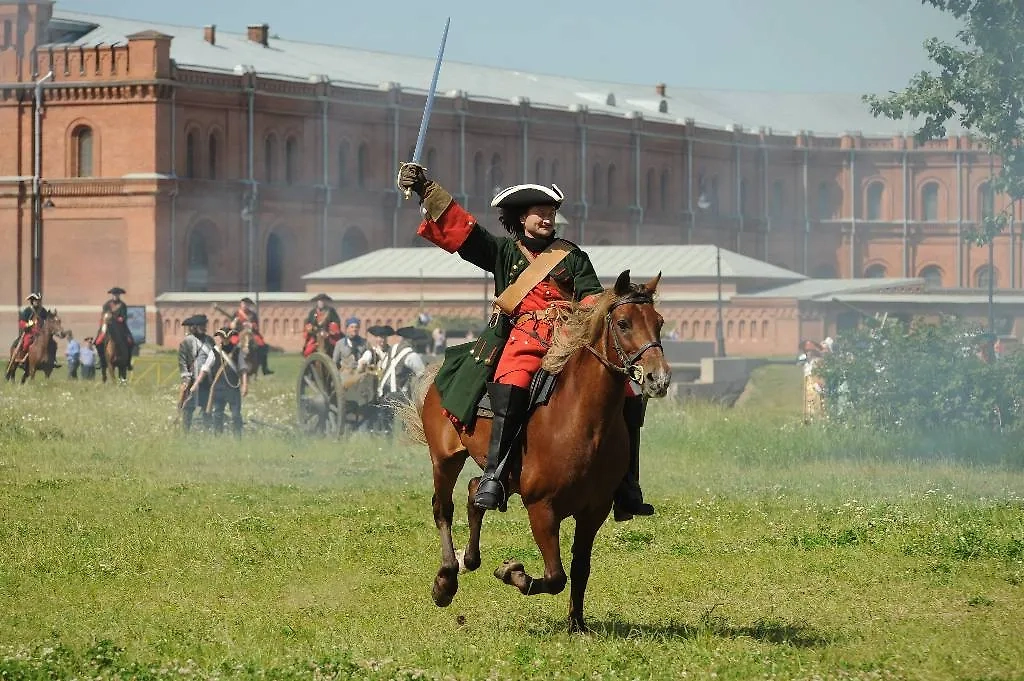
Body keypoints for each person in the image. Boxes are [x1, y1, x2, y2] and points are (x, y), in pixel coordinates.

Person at [398, 163, 655, 520]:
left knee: (628, 392)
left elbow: (592, 299)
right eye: (540, 213)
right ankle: (494, 475)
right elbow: (463, 232)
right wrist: (427, 189)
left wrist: (591, 313)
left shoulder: (573, 256)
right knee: (513, 380)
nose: (548, 219)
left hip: (568, 336)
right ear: (521, 218)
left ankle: (627, 484)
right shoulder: (502, 252)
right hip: (523, 336)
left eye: (551, 213)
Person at [190, 328, 248, 437]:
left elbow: (243, 369)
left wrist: (245, 385)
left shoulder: (237, 351)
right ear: (220, 337)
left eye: (227, 337)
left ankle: (238, 438)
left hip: (233, 388)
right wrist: (196, 383)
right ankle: (218, 437)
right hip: (219, 388)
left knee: (236, 415)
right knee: (217, 414)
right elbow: (205, 369)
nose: (225, 339)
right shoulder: (215, 351)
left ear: (230, 337)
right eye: (223, 337)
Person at [177, 314, 214, 432]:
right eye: (201, 325)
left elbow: (215, 357)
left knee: (207, 406)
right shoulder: (187, 342)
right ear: (194, 327)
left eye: (204, 325)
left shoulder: (210, 340)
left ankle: (207, 430)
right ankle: (185, 431)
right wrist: (186, 378)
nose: (204, 327)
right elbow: (182, 361)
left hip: (208, 379)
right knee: (188, 407)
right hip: (192, 379)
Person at [378, 326, 428, 401]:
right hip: (397, 396)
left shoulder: (392, 348)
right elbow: (422, 374)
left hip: (382, 390)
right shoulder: (411, 355)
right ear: (412, 341)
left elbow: (383, 366)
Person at [229, 297, 273, 375]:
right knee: (231, 343)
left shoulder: (252, 315)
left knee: (263, 345)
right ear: (241, 304)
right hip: (239, 334)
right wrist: (235, 322)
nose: (245, 305)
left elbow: (256, 327)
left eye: (247, 304)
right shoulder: (236, 314)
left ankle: (264, 367)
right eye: (243, 304)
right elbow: (231, 326)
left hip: (251, 333)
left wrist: (250, 325)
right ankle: (230, 364)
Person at [13, 293, 59, 368]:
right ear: (32, 301)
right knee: (26, 342)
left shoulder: (42, 310)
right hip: (30, 332)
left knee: (53, 343)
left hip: (40, 333)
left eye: (38, 301)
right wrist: (28, 324)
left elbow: (47, 319)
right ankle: (23, 359)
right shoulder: (27, 310)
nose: (37, 302)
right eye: (35, 301)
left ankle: (53, 360)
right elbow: (21, 322)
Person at [94, 286, 134, 370]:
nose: (116, 296)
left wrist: (120, 319)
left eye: (117, 294)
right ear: (112, 295)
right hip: (108, 325)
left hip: (119, 326)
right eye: (114, 294)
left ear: (119, 295)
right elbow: (103, 315)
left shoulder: (122, 305)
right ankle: (100, 360)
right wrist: (106, 318)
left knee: (131, 341)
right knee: (97, 342)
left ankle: (128, 362)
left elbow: (124, 317)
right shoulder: (107, 304)